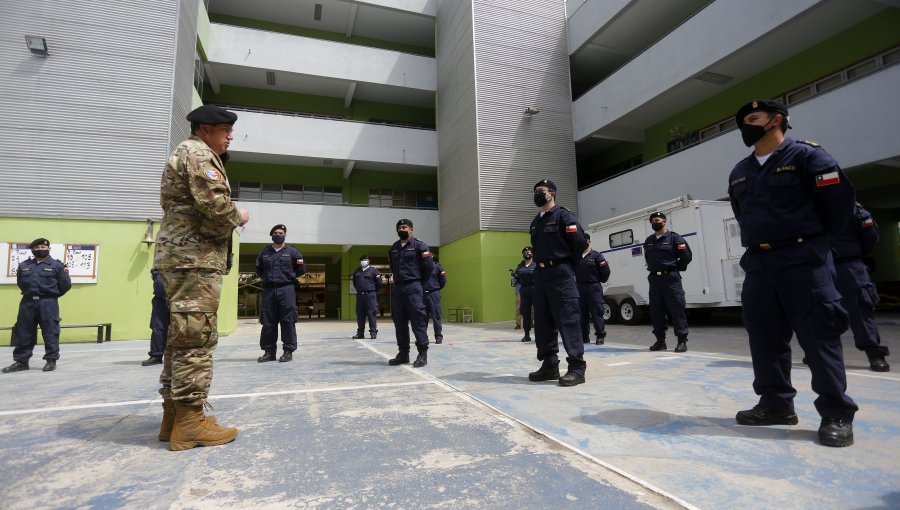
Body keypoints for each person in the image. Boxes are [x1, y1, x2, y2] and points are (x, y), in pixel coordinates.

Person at [728, 99, 857, 447]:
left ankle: (836, 413)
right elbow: (744, 215)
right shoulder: (740, 170)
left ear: (777, 120)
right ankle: (776, 405)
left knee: (819, 336)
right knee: (764, 339)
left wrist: (818, 247)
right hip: (760, 264)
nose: (746, 125)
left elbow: (841, 206)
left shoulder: (808, 157)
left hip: (804, 261)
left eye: (753, 118)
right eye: (742, 122)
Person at [154, 104, 249, 451]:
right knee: (195, 338)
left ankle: (174, 417)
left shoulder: (188, 152)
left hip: (184, 257)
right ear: (206, 129)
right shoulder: (198, 153)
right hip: (193, 258)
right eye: (225, 130)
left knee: (180, 338)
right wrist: (239, 215)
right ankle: (190, 423)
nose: (230, 136)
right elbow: (215, 206)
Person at [527, 179, 588, 387]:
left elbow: (578, 243)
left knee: (568, 320)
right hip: (541, 275)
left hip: (561, 273)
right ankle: (549, 365)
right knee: (543, 322)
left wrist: (568, 266)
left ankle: (577, 368)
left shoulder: (564, 215)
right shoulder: (536, 221)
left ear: (551, 193)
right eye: (535, 191)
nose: (536, 194)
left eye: (540, 191)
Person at [833, 203, 889, 372]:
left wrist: (851, 253)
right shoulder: (810, 207)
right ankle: (819, 352)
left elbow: (869, 238)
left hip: (849, 264)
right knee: (820, 311)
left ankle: (874, 354)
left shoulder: (852, 208)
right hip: (819, 266)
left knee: (860, 309)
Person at [2, 238, 71, 374]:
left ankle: (51, 360)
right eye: (37, 248)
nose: (40, 249)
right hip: (27, 303)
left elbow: (65, 285)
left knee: (50, 331)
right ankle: (22, 361)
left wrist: (52, 296)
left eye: (42, 247)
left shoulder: (57, 266)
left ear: (48, 249)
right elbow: (21, 283)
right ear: (33, 250)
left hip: (48, 303)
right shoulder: (24, 265)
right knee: (24, 331)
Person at [387, 219, 435, 368]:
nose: (402, 229)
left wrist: (419, 282)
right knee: (399, 323)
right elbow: (393, 267)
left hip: (413, 287)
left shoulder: (420, 246)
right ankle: (403, 354)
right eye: (399, 227)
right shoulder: (394, 247)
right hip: (398, 289)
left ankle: (422, 354)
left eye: (405, 227)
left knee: (418, 322)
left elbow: (428, 267)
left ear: (411, 230)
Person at [256, 224, 306, 363]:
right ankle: (269, 352)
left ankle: (288, 351)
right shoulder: (264, 252)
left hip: (286, 289)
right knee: (268, 321)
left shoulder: (293, 252)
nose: (278, 235)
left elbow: (301, 270)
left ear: (285, 235)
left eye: (281, 233)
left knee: (288, 320)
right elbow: (259, 270)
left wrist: (287, 277)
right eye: (276, 233)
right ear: (271, 235)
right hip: (269, 290)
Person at [643, 211, 692, 353]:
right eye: (652, 221)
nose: (654, 222)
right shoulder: (649, 240)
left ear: (664, 221)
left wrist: (675, 269)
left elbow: (686, 256)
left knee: (677, 309)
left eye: (657, 220)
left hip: (670, 279)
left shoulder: (674, 238)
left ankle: (682, 341)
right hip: (654, 280)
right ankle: (660, 341)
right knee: (656, 310)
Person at [576, 233, 611, 345]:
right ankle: (584, 336)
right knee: (582, 313)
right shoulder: (576, 257)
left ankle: (600, 335)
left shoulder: (596, 256)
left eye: (584, 240)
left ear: (589, 241)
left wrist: (598, 281)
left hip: (593, 287)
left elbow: (605, 271)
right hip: (580, 287)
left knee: (597, 312)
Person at [142, 267, 168, 366]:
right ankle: (156, 356)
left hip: (178, 300)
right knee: (158, 328)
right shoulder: (160, 259)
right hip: (160, 300)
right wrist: (154, 272)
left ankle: (181, 356)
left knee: (180, 327)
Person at [352, 254, 382, 339]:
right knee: (360, 314)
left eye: (365, 260)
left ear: (369, 261)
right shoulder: (357, 271)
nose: (363, 261)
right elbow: (355, 283)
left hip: (370, 296)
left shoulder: (374, 271)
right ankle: (360, 333)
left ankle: (373, 333)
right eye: (362, 260)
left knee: (371, 314)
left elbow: (379, 283)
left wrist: (372, 290)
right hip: (360, 296)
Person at [513, 247, 537, 342]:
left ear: (532, 253)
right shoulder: (520, 265)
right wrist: (515, 276)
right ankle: (526, 334)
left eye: (529, 252)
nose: (527, 253)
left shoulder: (536, 264)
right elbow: (518, 278)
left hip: (535, 289)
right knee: (525, 312)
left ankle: (539, 334)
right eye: (525, 252)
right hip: (524, 290)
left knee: (537, 312)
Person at [424, 258, 447, 344]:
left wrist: (436, 288)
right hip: (422, 294)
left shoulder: (438, 267)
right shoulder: (420, 267)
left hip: (434, 294)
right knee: (422, 317)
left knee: (436, 316)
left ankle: (438, 337)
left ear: (432, 256)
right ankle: (423, 338)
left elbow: (443, 281)